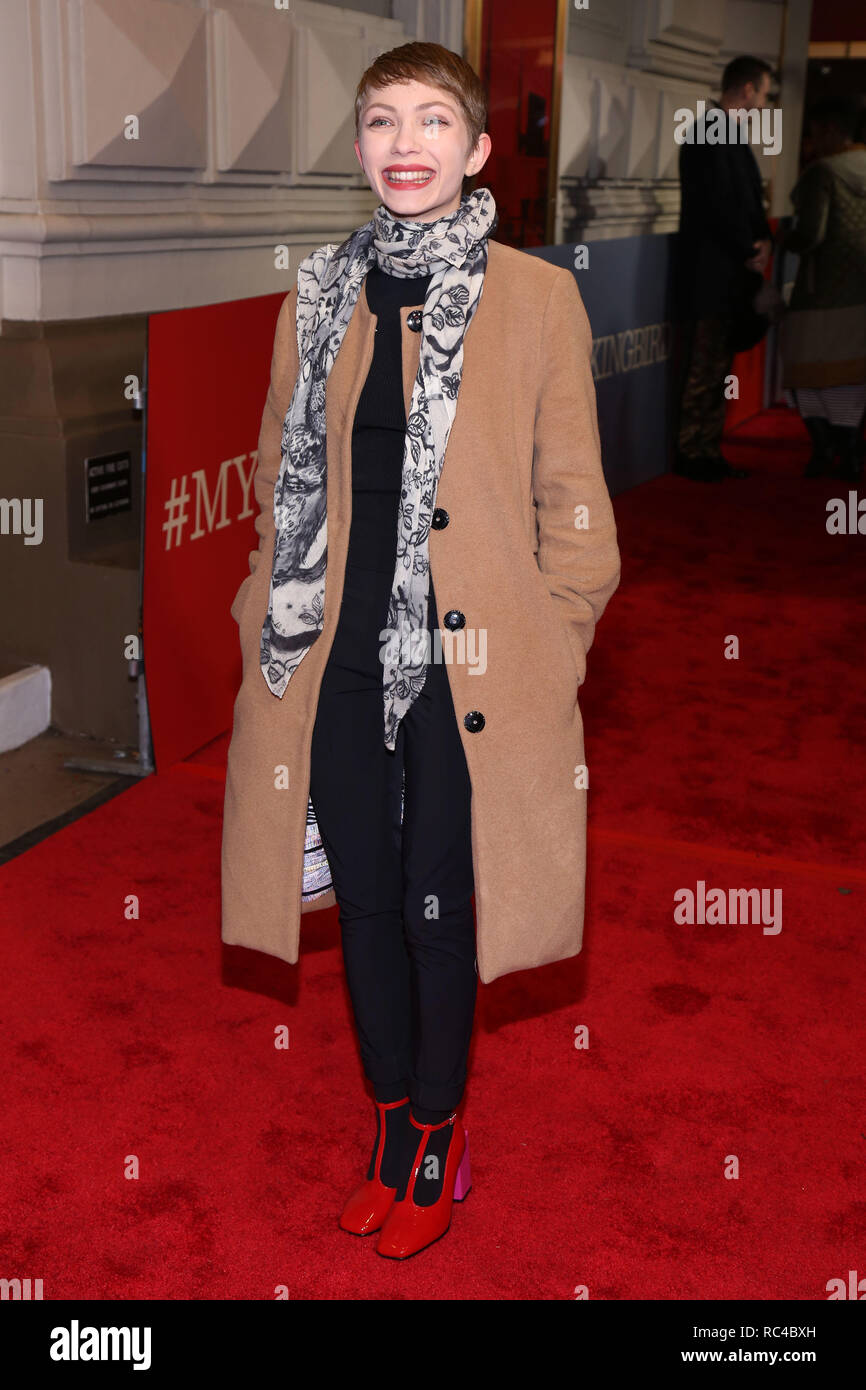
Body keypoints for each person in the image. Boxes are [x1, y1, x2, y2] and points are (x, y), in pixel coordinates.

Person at [220, 41, 620, 1260]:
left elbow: (578, 510)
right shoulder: (319, 291)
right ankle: (389, 1123)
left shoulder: (538, 298)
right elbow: (275, 474)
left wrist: (553, 638)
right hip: (331, 652)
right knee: (370, 898)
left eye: (433, 120)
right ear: (357, 149)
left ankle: (440, 1135)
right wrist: (263, 607)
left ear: (477, 148)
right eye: (382, 120)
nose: (407, 143)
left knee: (441, 903)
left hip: (471, 660)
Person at [674, 56, 776, 482]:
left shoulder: (721, 132)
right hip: (711, 274)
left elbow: (741, 201)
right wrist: (749, 246)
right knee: (706, 367)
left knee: (716, 367)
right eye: (765, 93)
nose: (764, 103)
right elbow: (717, 204)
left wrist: (758, 244)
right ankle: (693, 452)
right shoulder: (709, 132)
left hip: (724, 272)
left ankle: (706, 449)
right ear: (748, 89)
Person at [780, 98, 866, 481]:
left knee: (807, 372)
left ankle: (823, 448)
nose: (811, 142)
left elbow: (809, 235)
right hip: (861, 294)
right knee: (852, 375)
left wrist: (784, 238)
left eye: (814, 133)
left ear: (830, 130)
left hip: (820, 293)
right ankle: (850, 453)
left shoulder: (822, 174)